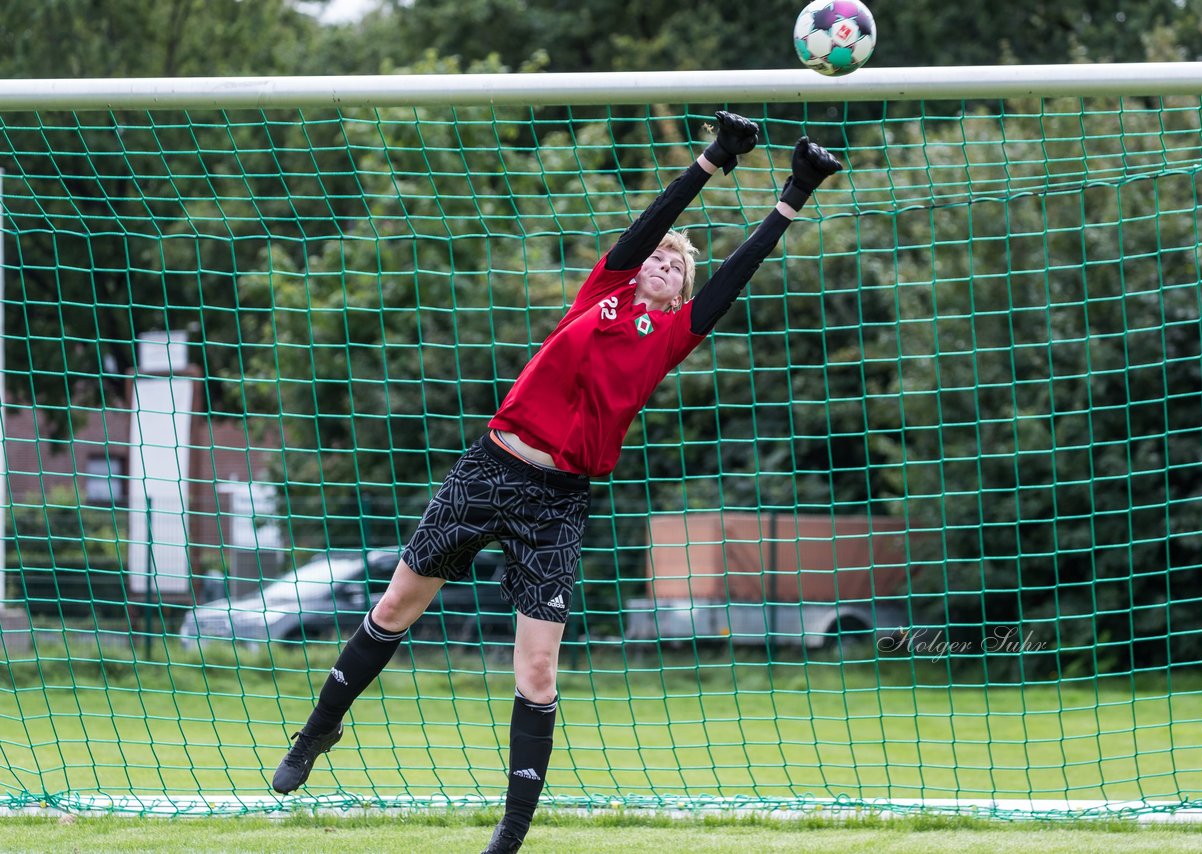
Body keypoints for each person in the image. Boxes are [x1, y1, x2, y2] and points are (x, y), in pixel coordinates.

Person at [271, 111, 841, 853]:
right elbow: (650, 225)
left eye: (679, 266)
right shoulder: (600, 294)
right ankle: (318, 732)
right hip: (490, 468)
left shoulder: (670, 337)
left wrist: (792, 195)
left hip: (558, 502)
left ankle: (509, 836)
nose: (666, 263)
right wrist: (713, 161)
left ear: (679, 295)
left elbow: (732, 279)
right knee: (395, 606)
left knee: (537, 671)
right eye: (659, 259)